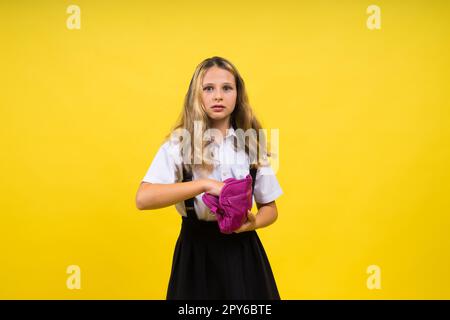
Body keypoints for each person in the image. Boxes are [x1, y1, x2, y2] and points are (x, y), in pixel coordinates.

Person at [135, 56, 283, 299]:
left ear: (238, 94)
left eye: (227, 88)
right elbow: (143, 198)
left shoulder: (251, 146)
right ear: (197, 94)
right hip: (196, 252)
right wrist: (204, 185)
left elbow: (270, 207)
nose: (218, 96)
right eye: (209, 88)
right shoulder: (178, 145)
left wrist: (253, 223)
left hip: (243, 251)